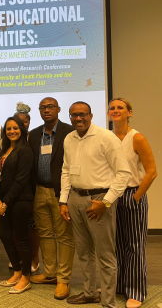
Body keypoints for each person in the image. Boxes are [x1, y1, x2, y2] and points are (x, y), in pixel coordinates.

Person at [60, 101, 131, 307]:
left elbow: (123, 174)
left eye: (83, 114)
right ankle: (90, 292)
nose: (78, 118)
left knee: (105, 255)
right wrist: (64, 200)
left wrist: (106, 202)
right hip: (75, 198)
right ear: (70, 117)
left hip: (99, 200)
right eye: (74, 115)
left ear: (90, 116)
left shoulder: (105, 137)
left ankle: (108, 302)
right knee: (83, 252)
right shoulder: (69, 138)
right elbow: (66, 170)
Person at [108, 98, 157, 308]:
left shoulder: (137, 138)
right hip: (111, 196)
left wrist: (136, 196)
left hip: (131, 194)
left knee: (134, 246)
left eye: (120, 107)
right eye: (112, 108)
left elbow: (152, 172)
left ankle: (136, 291)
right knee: (115, 245)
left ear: (129, 112)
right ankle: (119, 285)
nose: (116, 110)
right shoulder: (107, 138)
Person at [28, 98, 76, 300]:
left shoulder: (68, 132)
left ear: (58, 109)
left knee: (64, 236)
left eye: (50, 107)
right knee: (45, 234)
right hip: (39, 190)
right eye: (43, 108)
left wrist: (66, 196)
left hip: (60, 193)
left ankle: (63, 279)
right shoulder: (34, 134)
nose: (46, 110)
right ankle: (50, 273)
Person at [0, 116, 34, 294]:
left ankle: (26, 278)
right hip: (5, 202)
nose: (12, 131)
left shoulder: (25, 150)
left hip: (20, 201)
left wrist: (5, 202)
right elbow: (0, 178)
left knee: (22, 239)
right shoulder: (5, 149)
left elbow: (21, 180)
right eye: (9, 129)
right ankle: (17, 272)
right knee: (4, 235)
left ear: (22, 129)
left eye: (15, 128)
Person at [14, 102, 40, 272]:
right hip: (14, 190)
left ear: (28, 122)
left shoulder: (34, 138)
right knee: (16, 226)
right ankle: (20, 257)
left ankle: (34, 258)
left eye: (24, 121)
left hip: (31, 188)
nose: (21, 125)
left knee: (32, 227)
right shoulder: (9, 140)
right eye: (18, 122)